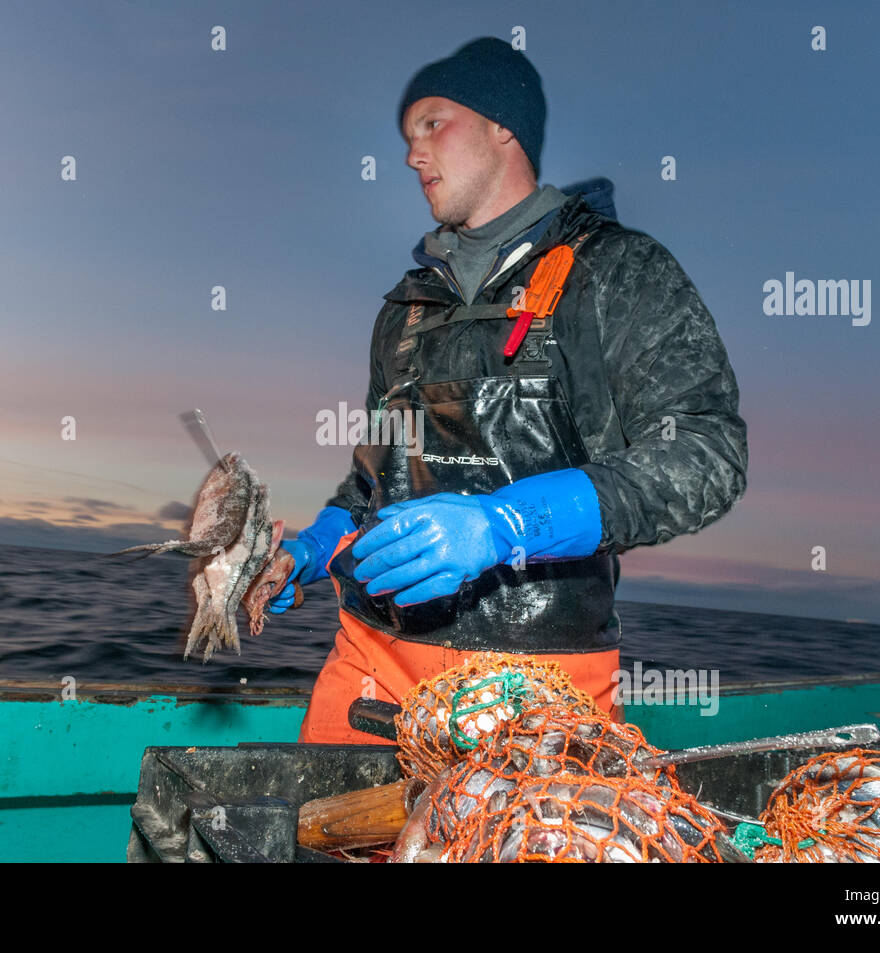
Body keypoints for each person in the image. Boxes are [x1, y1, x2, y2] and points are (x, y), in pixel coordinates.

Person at [271, 37, 748, 743]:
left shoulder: (618, 273)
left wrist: (509, 524)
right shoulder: (403, 312)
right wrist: (309, 550)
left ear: (505, 127)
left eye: (433, 123)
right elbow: (373, 488)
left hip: (540, 692)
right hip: (368, 673)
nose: (411, 153)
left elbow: (707, 453)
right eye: (406, 136)